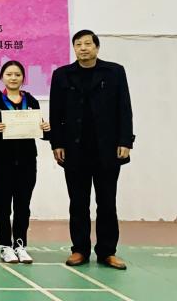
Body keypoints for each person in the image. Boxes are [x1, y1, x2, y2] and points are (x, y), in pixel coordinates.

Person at [50, 30, 134, 270]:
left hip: (107, 149)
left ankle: (107, 251)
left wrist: (125, 141)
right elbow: (55, 112)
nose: (83, 48)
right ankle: (79, 249)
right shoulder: (62, 75)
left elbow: (124, 108)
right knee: (78, 202)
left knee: (107, 202)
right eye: (78, 44)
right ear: (74, 48)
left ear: (97, 47)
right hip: (74, 149)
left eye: (88, 43)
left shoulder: (114, 72)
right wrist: (57, 143)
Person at [0, 60, 50, 264]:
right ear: (1, 77)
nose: (13, 78)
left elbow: (41, 133)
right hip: (2, 160)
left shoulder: (31, 101)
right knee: (3, 205)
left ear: (23, 78)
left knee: (23, 205)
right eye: (9, 74)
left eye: (18, 74)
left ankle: (20, 245)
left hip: (27, 161)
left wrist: (46, 129)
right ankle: (5, 246)